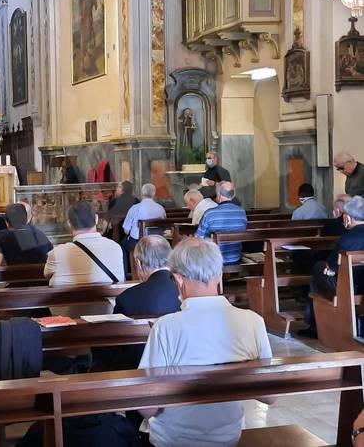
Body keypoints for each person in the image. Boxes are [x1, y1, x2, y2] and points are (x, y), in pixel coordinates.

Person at [138, 237, 272, 447]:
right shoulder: (253, 321)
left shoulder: (166, 327)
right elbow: (270, 395)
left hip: (173, 441)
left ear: (178, 280)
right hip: (228, 439)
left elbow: (147, 406)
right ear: (219, 275)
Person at [95, 236, 181, 371]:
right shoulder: (185, 289)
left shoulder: (127, 299)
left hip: (137, 370)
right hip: (179, 367)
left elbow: (115, 344)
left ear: (138, 263)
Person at [301, 196, 364, 338]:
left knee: (318, 269)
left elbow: (330, 268)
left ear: (348, 218)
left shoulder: (347, 239)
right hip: (362, 284)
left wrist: (327, 268)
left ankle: (314, 325)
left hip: (347, 285)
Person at [45, 201, 124, 286]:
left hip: (68, 299)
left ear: (69, 224)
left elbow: (47, 275)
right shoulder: (115, 248)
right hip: (107, 298)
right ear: (96, 219)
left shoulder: (57, 253)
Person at [195, 181, 247, 264]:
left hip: (214, 260)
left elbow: (198, 238)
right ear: (232, 195)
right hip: (235, 257)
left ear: (218, 195)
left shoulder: (210, 213)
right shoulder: (241, 212)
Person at [121, 184, 166, 273]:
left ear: (142, 194)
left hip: (138, 243)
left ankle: (130, 272)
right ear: (154, 194)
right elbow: (164, 228)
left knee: (122, 246)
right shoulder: (160, 209)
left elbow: (126, 230)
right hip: (157, 243)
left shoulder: (135, 208)